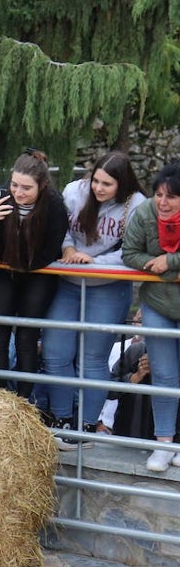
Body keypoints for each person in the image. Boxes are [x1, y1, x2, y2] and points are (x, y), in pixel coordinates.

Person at [41, 151, 146, 446]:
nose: (99, 188)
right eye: (96, 181)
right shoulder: (74, 192)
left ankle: (87, 424)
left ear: (122, 186)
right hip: (69, 280)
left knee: (93, 357)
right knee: (55, 350)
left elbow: (132, 250)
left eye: (107, 184)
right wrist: (70, 251)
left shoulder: (136, 204)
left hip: (108, 284)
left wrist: (95, 261)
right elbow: (59, 230)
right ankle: (61, 417)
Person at [0, 150, 68, 398]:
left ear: (42, 186)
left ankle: (24, 398)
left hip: (38, 273)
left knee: (26, 336)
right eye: (14, 184)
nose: (18, 192)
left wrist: (4, 254)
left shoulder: (54, 205)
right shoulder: (0, 198)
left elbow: (49, 251)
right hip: (6, 274)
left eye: (26, 188)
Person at [120, 163, 180, 471]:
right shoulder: (145, 214)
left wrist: (168, 260)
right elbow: (129, 253)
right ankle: (163, 442)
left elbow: (165, 262)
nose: (163, 202)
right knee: (165, 374)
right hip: (157, 303)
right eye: (158, 194)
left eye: (172, 197)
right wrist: (152, 264)